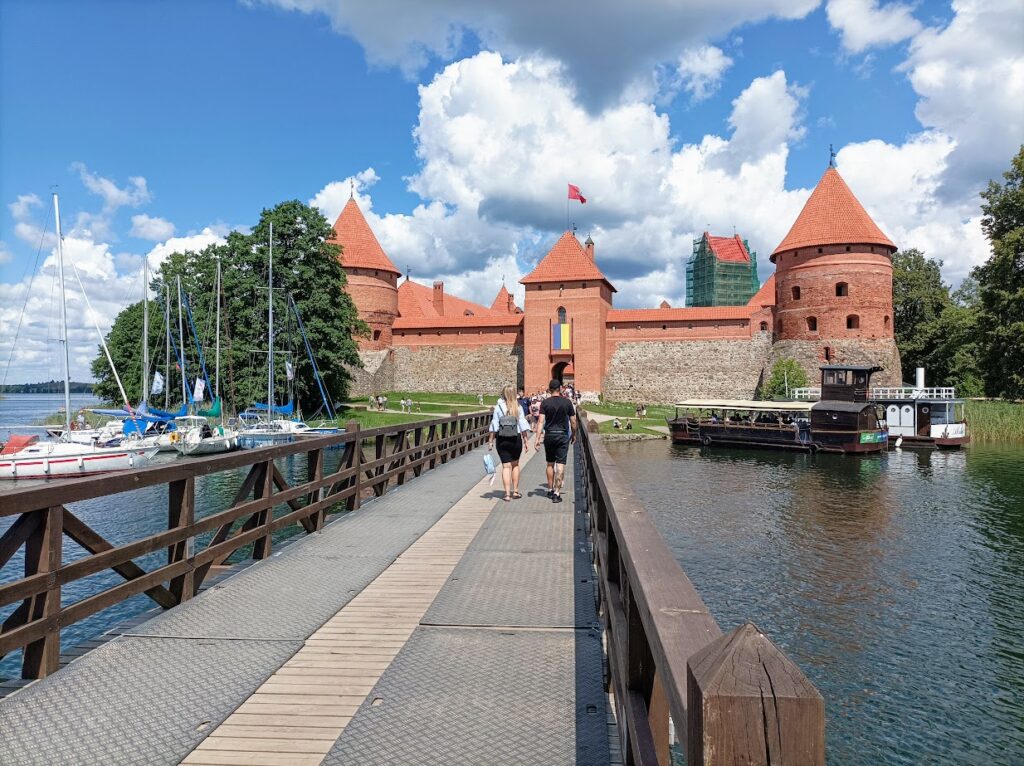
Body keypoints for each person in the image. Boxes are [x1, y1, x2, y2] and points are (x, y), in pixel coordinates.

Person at [535, 378, 577, 504]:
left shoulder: (545, 403)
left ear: (549, 389)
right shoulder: (567, 402)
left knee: (550, 463)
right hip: (562, 436)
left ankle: (549, 489)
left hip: (549, 435)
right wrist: (574, 434)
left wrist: (537, 438)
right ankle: (557, 493)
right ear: (560, 389)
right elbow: (573, 421)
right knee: (560, 465)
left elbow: (540, 422)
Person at [487, 383, 531, 501]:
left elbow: (494, 425)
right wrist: (526, 441)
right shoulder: (518, 407)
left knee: (506, 466)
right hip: (515, 438)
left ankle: (507, 494)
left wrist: (490, 441)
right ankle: (515, 491)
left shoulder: (498, 407)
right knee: (515, 465)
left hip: (502, 439)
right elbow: (522, 424)